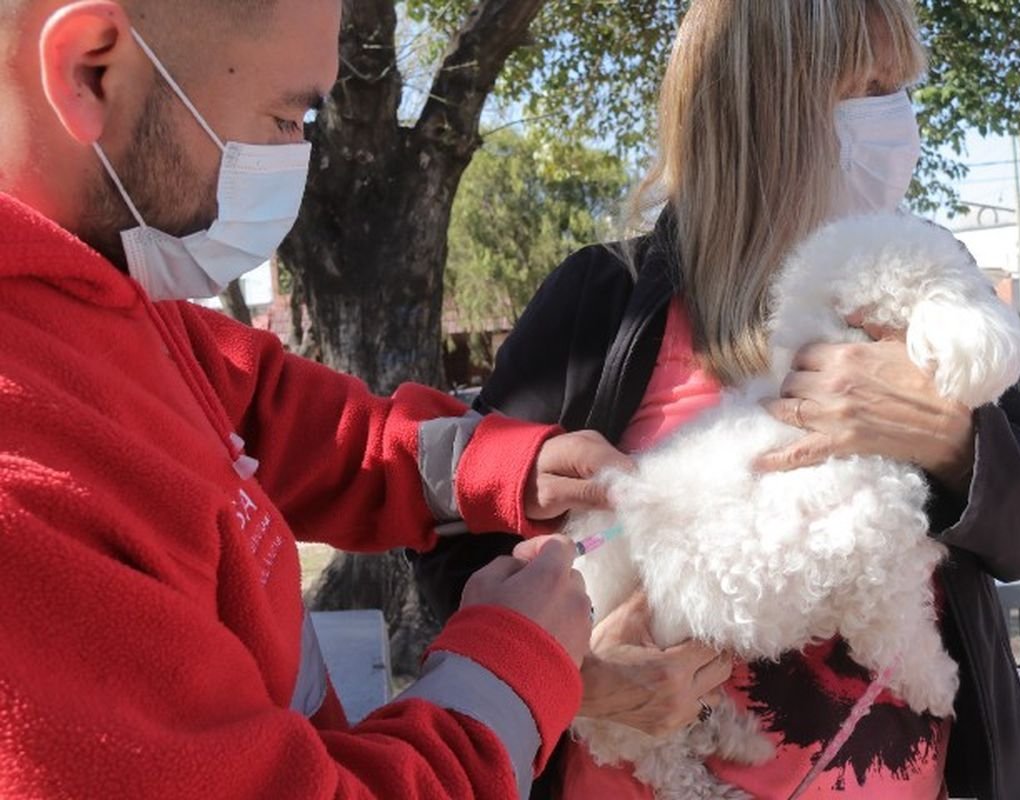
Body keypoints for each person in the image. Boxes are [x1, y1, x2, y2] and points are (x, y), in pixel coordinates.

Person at [415, 1, 1020, 798]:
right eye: (864, 87)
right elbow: (457, 542)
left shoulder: (924, 282)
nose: (896, 119)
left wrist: (948, 440)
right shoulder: (603, 301)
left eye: (899, 87)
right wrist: (578, 670)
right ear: (764, 102)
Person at [0, 1, 634, 797]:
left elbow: (275, 414)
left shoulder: (112, 295)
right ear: (91, 68)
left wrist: (498, 464)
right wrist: (510, 666)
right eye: (286, 115)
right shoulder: (24, 502)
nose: (296, 155)